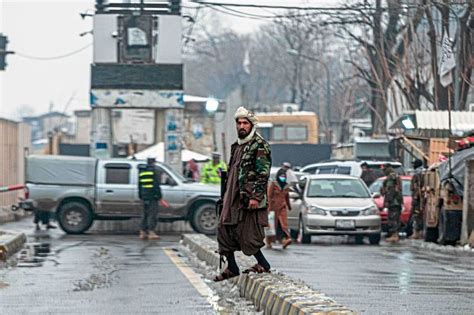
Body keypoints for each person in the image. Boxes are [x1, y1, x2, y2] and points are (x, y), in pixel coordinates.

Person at [214, 106, 272, 282]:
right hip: (231, 198)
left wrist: (255, 196)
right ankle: (232, 267)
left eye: (245, 123)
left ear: (251, 125)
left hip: (247, 199)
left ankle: (263, 264)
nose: (241, 126)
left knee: (247, 234)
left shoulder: (259, 146)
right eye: (239, 123)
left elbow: (263, 174)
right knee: (224, 230)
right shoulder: (237, 147)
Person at [266, 168, 292, 249]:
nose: (282, 177)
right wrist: (269, 207)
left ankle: (286, 239)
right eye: (281, 176)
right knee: (272, 225)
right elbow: (269, 196)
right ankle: (269, 240)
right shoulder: (273, 184)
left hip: (282, 208)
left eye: (284, 176)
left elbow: (287, 197)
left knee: (283, 224)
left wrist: (289, 206)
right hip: (273, 208)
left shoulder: (286, 185)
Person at [138, 157, 162, 240]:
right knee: (152, 214)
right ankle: (151, 232)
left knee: (144, 214)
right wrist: (159, 195)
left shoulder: (142, 171)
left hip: (144, 196)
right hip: (152, 196)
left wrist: (140, 195)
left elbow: (139, 185)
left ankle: (142, 232)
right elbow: (156, 185)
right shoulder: (154, 171)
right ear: (154, 162)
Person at [381, 163, 403, 243]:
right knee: (395, 218)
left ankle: (394, 235)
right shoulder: (395, 175)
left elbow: (390, 191)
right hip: (396, 201)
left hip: (394, 202)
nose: (383, 171)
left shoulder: (391, 177)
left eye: (384, 169)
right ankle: (395, 234)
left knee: (393, 218)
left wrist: (387, 201)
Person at [409, 159, 425, 240]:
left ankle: (417, 233)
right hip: (420, 198)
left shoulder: (418, 174)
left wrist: (415, 197)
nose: (413, 166)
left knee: (417, 215)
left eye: (414, 164)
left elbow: (417, 187)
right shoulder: (423, 172)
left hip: (418, 199)